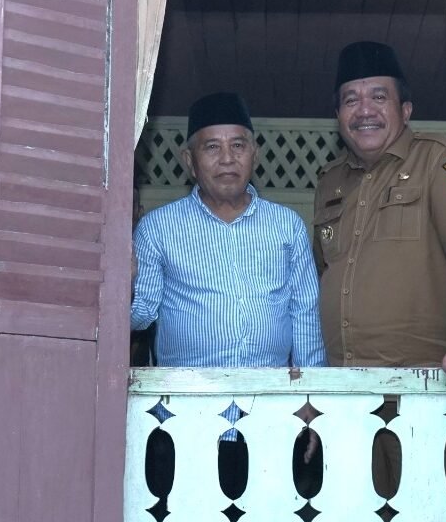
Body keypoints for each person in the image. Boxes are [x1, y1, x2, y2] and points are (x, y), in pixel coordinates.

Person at [313, 41, 446, 395]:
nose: (364, 111)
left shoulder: (439, 158)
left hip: (429, 385)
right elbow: (321, 273)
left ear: (405, 110)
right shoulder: (329, 181)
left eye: (379, 97)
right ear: (338, 117)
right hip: (344, 390)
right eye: (350, 100)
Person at [132, 91, 325, 369]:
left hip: (270, 397)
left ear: (254, 155)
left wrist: (309, 396)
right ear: (189, 161)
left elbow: (305, 314)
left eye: (238, 146)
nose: (227, 159)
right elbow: (140, 314)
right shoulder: (158, 228)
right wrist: (119, 283)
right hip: (186, 399)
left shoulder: (287, 225)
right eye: (212, 147)